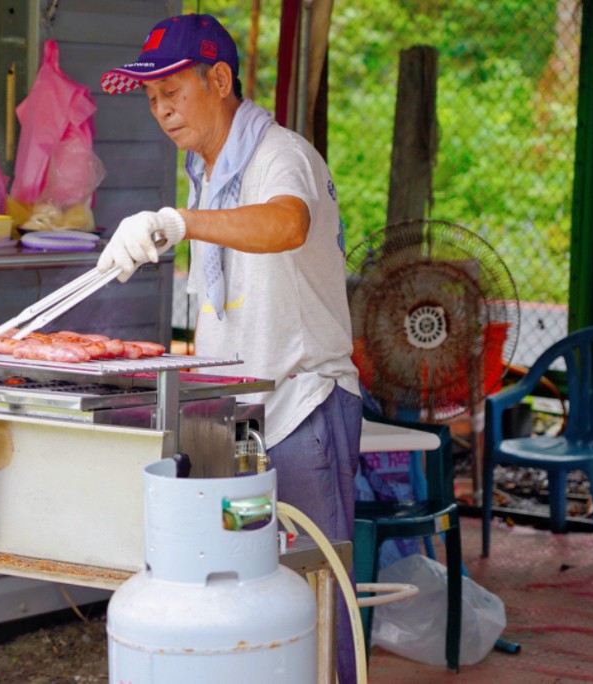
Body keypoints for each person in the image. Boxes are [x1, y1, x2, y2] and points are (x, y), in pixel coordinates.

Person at [98, 13, 363, 683]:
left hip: (301, 402)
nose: (161, 111)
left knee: (314, 592)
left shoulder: (280, 154)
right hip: (231, 412)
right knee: (237, 589)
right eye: (152, 99)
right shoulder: (208, 167)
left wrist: (177, 223)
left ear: (220, 79)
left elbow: (286, 223)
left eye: (173, 92)